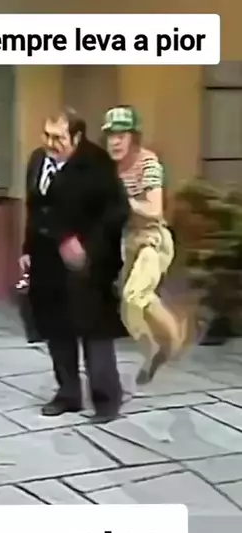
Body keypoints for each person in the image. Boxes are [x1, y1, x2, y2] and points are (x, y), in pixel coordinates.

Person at [19, 108, 130, 422]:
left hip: (88, 262)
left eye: (59, 138)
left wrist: (85, 246)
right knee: (56, 328)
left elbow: (116, 213)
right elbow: (35, 208)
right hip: (47, 259)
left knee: (93, 330)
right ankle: (68, 394)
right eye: (47, 135)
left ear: (77, 137)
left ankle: (106, 400)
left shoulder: (97, 164)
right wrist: (27, 248)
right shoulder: (37, 160)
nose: (50, 143)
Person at [101, 105, 188, 385]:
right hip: (129, 243)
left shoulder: (148, 163)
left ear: (133, 138)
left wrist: (125, 201)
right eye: (110, 136)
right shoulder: (108, 169)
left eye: (121, 135)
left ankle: (169, 343)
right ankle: (157, 349)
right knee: (129, 311)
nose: (115, 142)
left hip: (153, 240)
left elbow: (154, 209)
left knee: (135, 295)